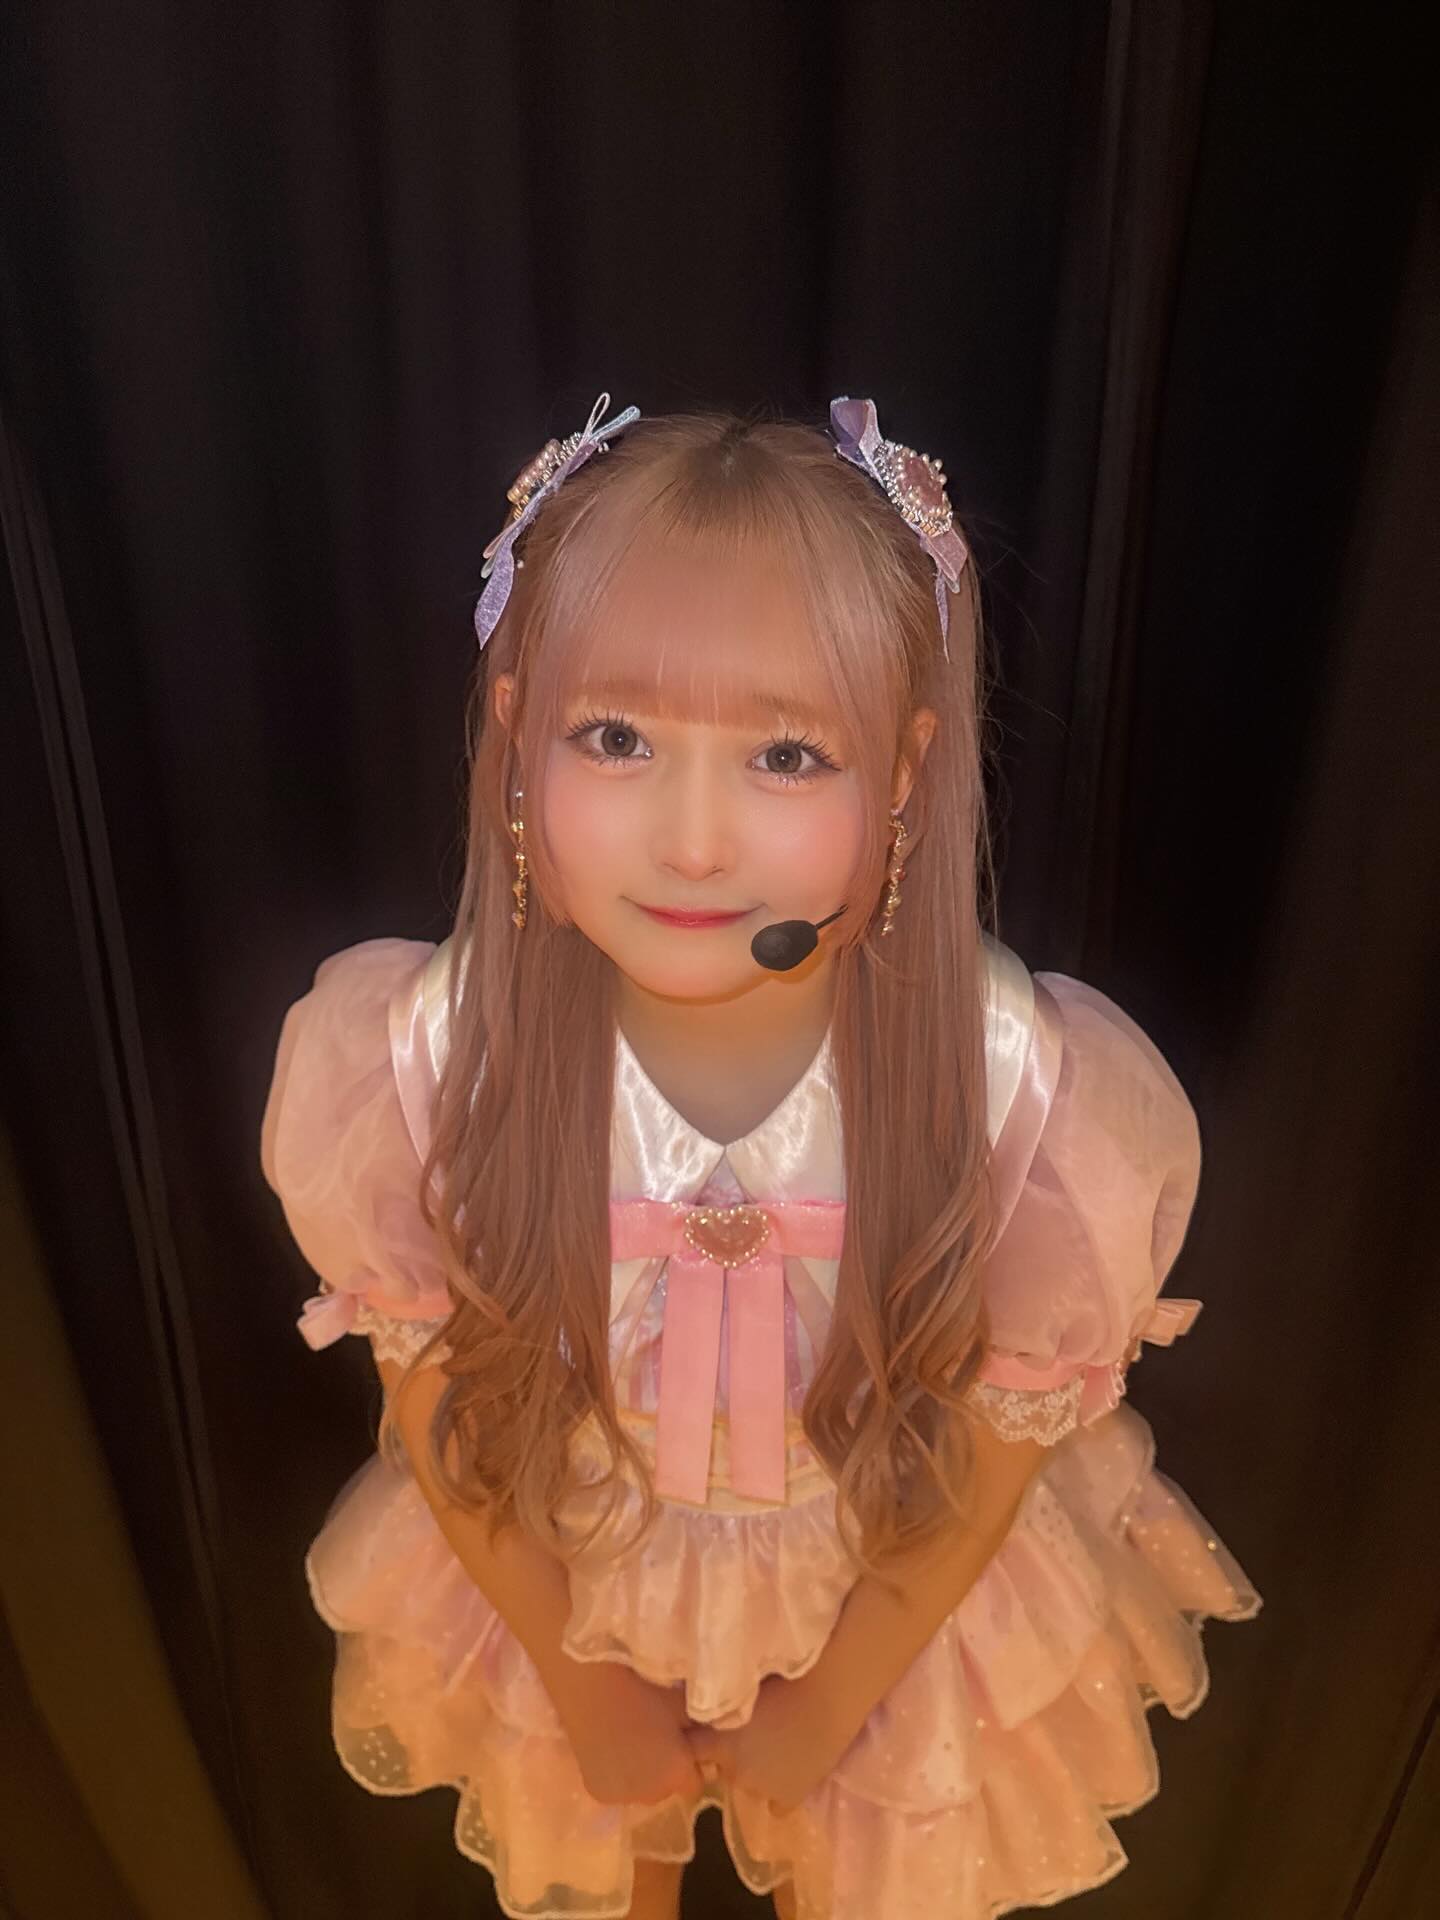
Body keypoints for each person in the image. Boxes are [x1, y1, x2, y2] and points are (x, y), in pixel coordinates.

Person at [259, 393, 1262, 1920]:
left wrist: (832, 1701)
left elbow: (997, 1453)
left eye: (786, 755)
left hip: (884, 1598)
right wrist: (583, 1686)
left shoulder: (1016, 1090)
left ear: (905, 771)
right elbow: (436, 1398)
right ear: (519, 732)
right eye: (616, 739)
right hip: (571, 1576)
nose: (694, 840)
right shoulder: (425, 1063)